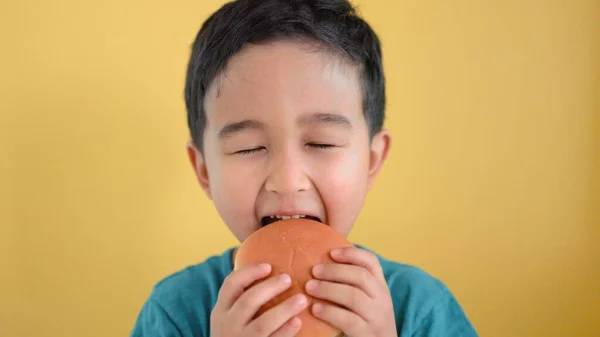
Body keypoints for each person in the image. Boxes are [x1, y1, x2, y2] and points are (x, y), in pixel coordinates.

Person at [130, 0, 478, 336]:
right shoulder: (175, 312)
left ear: (372, 160)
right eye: (248, 147)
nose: (287, 181)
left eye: (321, 143)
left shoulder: (420, 308)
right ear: (204, 171)